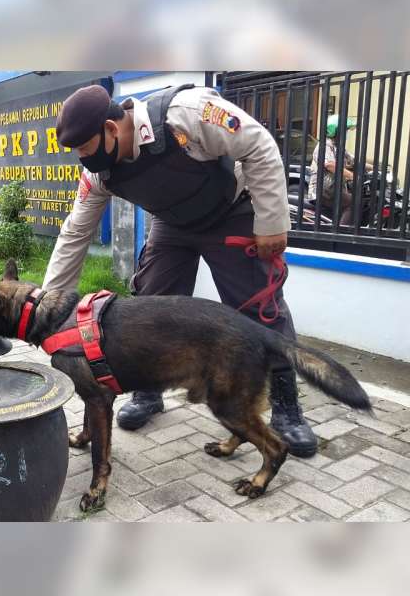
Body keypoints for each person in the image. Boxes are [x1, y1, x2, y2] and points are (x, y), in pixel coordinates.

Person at [43, 83, 317, 457]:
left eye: (86, 149)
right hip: (172, 224)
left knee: (259, 310)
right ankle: (148, 393)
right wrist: (47, 302)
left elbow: (260, 145)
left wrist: (271, 222)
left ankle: (287, 408)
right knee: (149, 308)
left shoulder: (187, 113)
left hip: (230, 213)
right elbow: (76, 232)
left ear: (110, 129)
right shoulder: (99, 173)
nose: (84, 159)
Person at [308, 115, 371, 226]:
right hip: (323, 190)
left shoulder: (338, 147)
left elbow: (354, 161)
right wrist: (353, 176)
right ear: (336, 131)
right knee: (355, 202)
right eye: (345, 131)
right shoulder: (325, 145)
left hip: (333, 189)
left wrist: (375, 168)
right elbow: (330, 165)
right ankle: (341, 234)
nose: (346, 134)